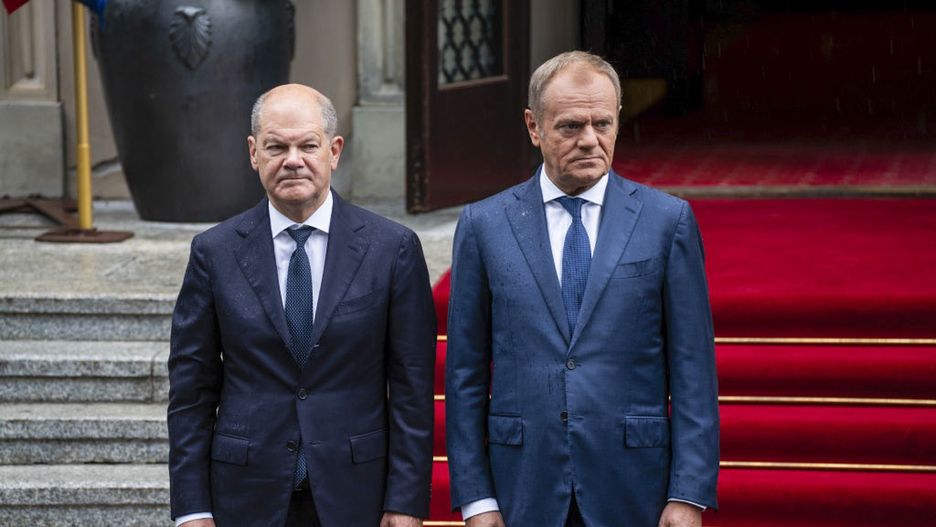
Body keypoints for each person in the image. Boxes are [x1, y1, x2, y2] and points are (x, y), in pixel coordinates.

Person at [445, 51, 719, 527]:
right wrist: (477, 498)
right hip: (522, 487)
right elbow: (465, 372)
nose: (590, 140)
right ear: (534, 127)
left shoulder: (666, 221)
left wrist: (689, 493)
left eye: (603, 124)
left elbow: (693, 369)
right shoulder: (484, 225)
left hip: (635, 485)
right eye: (571, 126)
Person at [167, 84, 436, 527]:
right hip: (246, 496)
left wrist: (406, 501)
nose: (293, 159)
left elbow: (412, 389)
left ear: (334, 150)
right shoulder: (213, 253)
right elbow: (191, 394)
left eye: (307, 145)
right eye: (276, 146)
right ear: (254, 153)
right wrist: (192, 508)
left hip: (356, 494)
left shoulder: (392, 249)